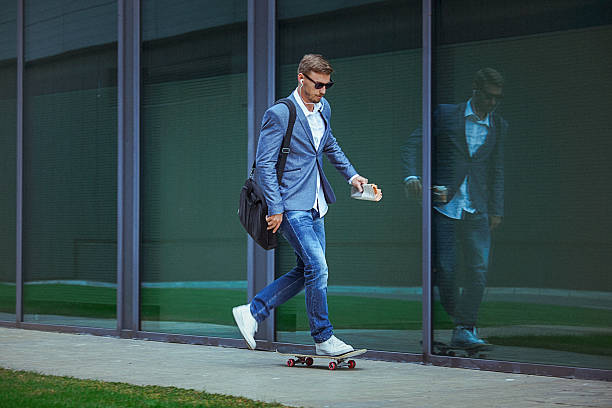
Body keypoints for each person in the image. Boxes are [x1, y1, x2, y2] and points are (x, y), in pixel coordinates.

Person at [233, 54, 369, 355]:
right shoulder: (280, 113)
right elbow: (265, 165)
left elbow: (329, 144)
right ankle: (323, 337)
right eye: (318, 84)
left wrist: (352, 176)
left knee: (307, 268)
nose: (322, 91)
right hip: (291, 205)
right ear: (301, 78)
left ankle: (252, 312)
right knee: (318, 267)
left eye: (327, 85)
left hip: (316, 203)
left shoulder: (323, 109)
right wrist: (276, 207)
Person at [401, 68, 507, 348]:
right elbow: (414, 143)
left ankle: (464, 327)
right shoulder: (446, 114)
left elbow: (497, 170)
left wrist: (496, 209)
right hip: (444, 206)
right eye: (488, 96)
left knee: (479, 269)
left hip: (478, 208)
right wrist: (412, 176)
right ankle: (458, 321)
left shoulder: (498, 126)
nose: (492, 103)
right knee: (446, 269)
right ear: (475, 89)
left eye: (497, 98)